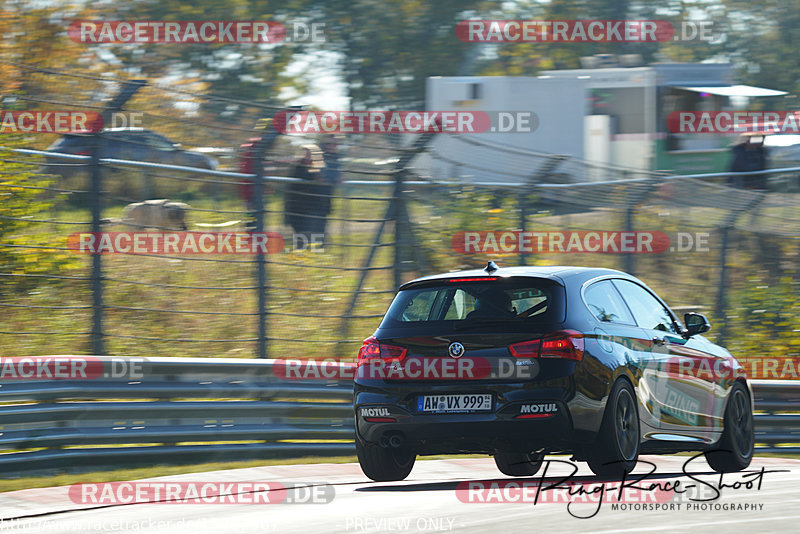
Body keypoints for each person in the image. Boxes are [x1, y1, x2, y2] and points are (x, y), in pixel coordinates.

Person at [284, 144, 326, 247]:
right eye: (307, 153)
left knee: (313, 236)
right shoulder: (298, 166)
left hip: (312, 209)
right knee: (301, 236)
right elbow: (300, 180)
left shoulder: (319, 167)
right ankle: (300, 254)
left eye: (311, 154)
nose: (308, 156)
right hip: (297, 208)